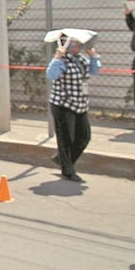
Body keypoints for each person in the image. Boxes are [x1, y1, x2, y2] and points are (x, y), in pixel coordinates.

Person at [46, 33, 101, 181]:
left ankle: (62, 159)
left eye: (78, 44)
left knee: (84, 136)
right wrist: (57, 57)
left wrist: (93, 57)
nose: (77, 47)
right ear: (66, 45)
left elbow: (95, 71)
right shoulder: (61, 60)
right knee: (65, 138)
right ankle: (68, 170)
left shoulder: (81, 59)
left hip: (80, 103)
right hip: (63, 103)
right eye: (74, 44)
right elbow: (51, 75)